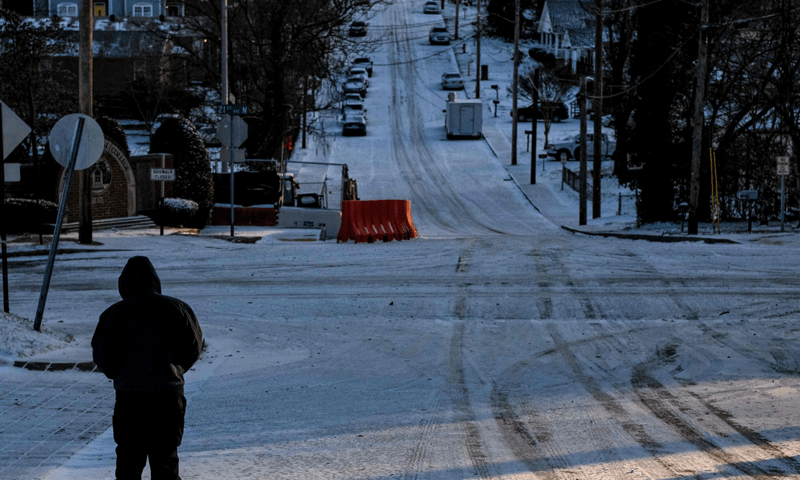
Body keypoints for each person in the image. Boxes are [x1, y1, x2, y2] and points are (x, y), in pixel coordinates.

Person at [92, 256, 203, 480]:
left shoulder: (113, 314)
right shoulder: (177, 308)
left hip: (129, 399)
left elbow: (102, 355)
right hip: (168, 397)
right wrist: (174, 369)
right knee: (166, 463)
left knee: (128, 465)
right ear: (155, 281)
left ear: (124, 283)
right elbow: (193, 347)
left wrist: (119, 374)